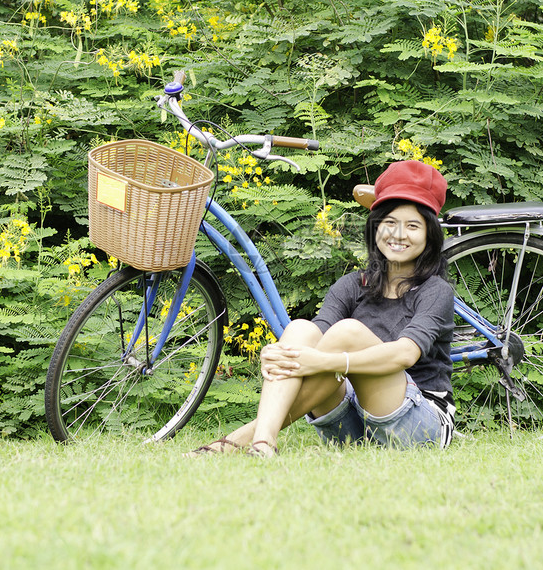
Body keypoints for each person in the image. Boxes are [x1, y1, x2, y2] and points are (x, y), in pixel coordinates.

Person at [187, 160, 456, 457]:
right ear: (375, 227)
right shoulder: (353, 285)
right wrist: (281, 352)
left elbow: (405, 354)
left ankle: (240, 440)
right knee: (299, 329)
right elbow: (311, 339)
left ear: (430, 235)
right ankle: (263, 444)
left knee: (348, 333)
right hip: (352, 426)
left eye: (413, 226)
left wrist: (323, 362)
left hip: (418, 427)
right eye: (389, 222)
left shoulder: (436, 291)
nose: (399, 234)